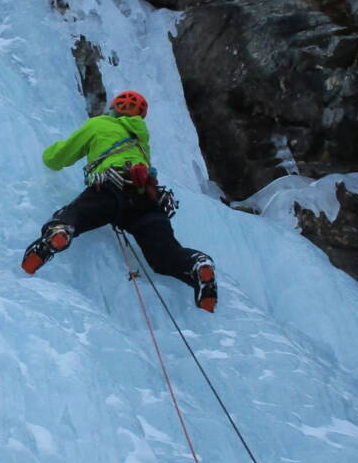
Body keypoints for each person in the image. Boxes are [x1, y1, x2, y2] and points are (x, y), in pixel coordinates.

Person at [21, 90, 217, 312]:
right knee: (164, 256)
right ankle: (196, 265)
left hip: (111, 187)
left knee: (75, 215)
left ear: (114, 107)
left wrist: (46, 154)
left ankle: (59, 232)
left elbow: (61, 156)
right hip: (147, 199)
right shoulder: (141, 139)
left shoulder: (99, 124)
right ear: (140, 115)